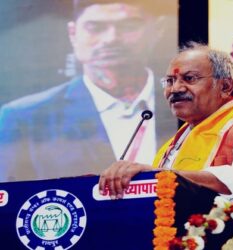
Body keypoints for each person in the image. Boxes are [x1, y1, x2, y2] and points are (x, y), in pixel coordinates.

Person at [98, 42, 233, 243]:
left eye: (189, 79)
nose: (176, 89)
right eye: (170, 81)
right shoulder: (173, 145)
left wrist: (167, 176)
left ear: (225, 86)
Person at [0, 0, 177, 182]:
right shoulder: (24, 117)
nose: (111, 39)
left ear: (158, 30)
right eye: (95, 28)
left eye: (128, 26)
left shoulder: (186, 104)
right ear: (73, 34)